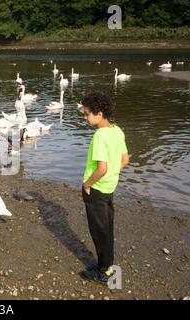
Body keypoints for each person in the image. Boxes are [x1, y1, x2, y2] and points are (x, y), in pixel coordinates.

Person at [79, 91, 130, 286]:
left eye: (87, 113)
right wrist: (111, 176)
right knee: (106, 228)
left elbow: (102, 168)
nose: (85, 117)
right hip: (109, 188)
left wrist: (87, 184)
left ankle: (104, 271)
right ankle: (105, 264)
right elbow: (125, 160)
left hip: (97, 190)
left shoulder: (100, 136)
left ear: (99, 114)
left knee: (99, 231)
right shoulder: (117, 130)